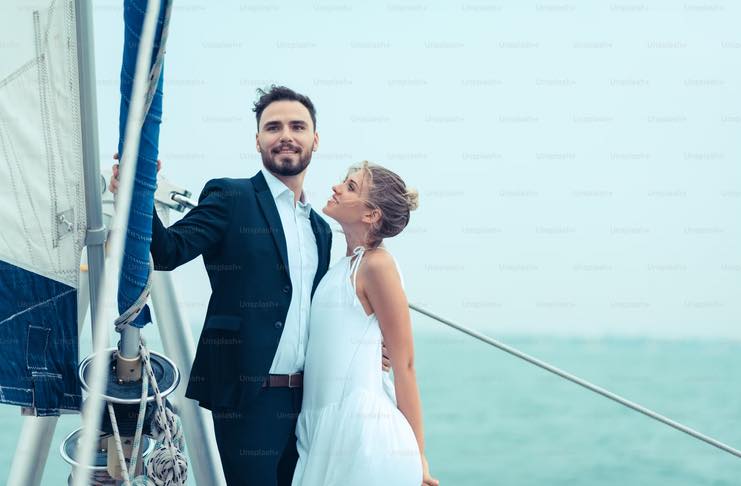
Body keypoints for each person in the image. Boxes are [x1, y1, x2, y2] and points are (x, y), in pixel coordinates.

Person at [112, 85, 332, 485]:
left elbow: (322, 309)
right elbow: (168, 251)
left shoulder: (320, 229)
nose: (286, 135)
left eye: (297, 126)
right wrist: (137, 192)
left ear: (314, 139)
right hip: (249, 398)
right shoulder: (231, 197)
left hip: (309, 401)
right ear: (258, 140)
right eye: (273, 127)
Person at [292, 162, 439, 486]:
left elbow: (406, 364)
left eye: (350, 187)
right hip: (323, 431)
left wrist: (419, 456)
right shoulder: (341, 266)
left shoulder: (378, 265)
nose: (337, 187)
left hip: (364, 437)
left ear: (371, 214)